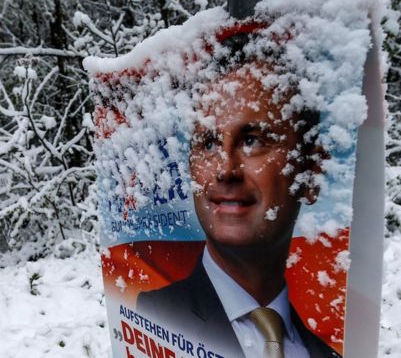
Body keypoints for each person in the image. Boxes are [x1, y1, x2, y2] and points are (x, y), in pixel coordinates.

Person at [137, 41, 339, 358]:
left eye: (252, 141)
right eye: (207, 143)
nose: (225, 169)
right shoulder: (150, 317)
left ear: (310, 172)